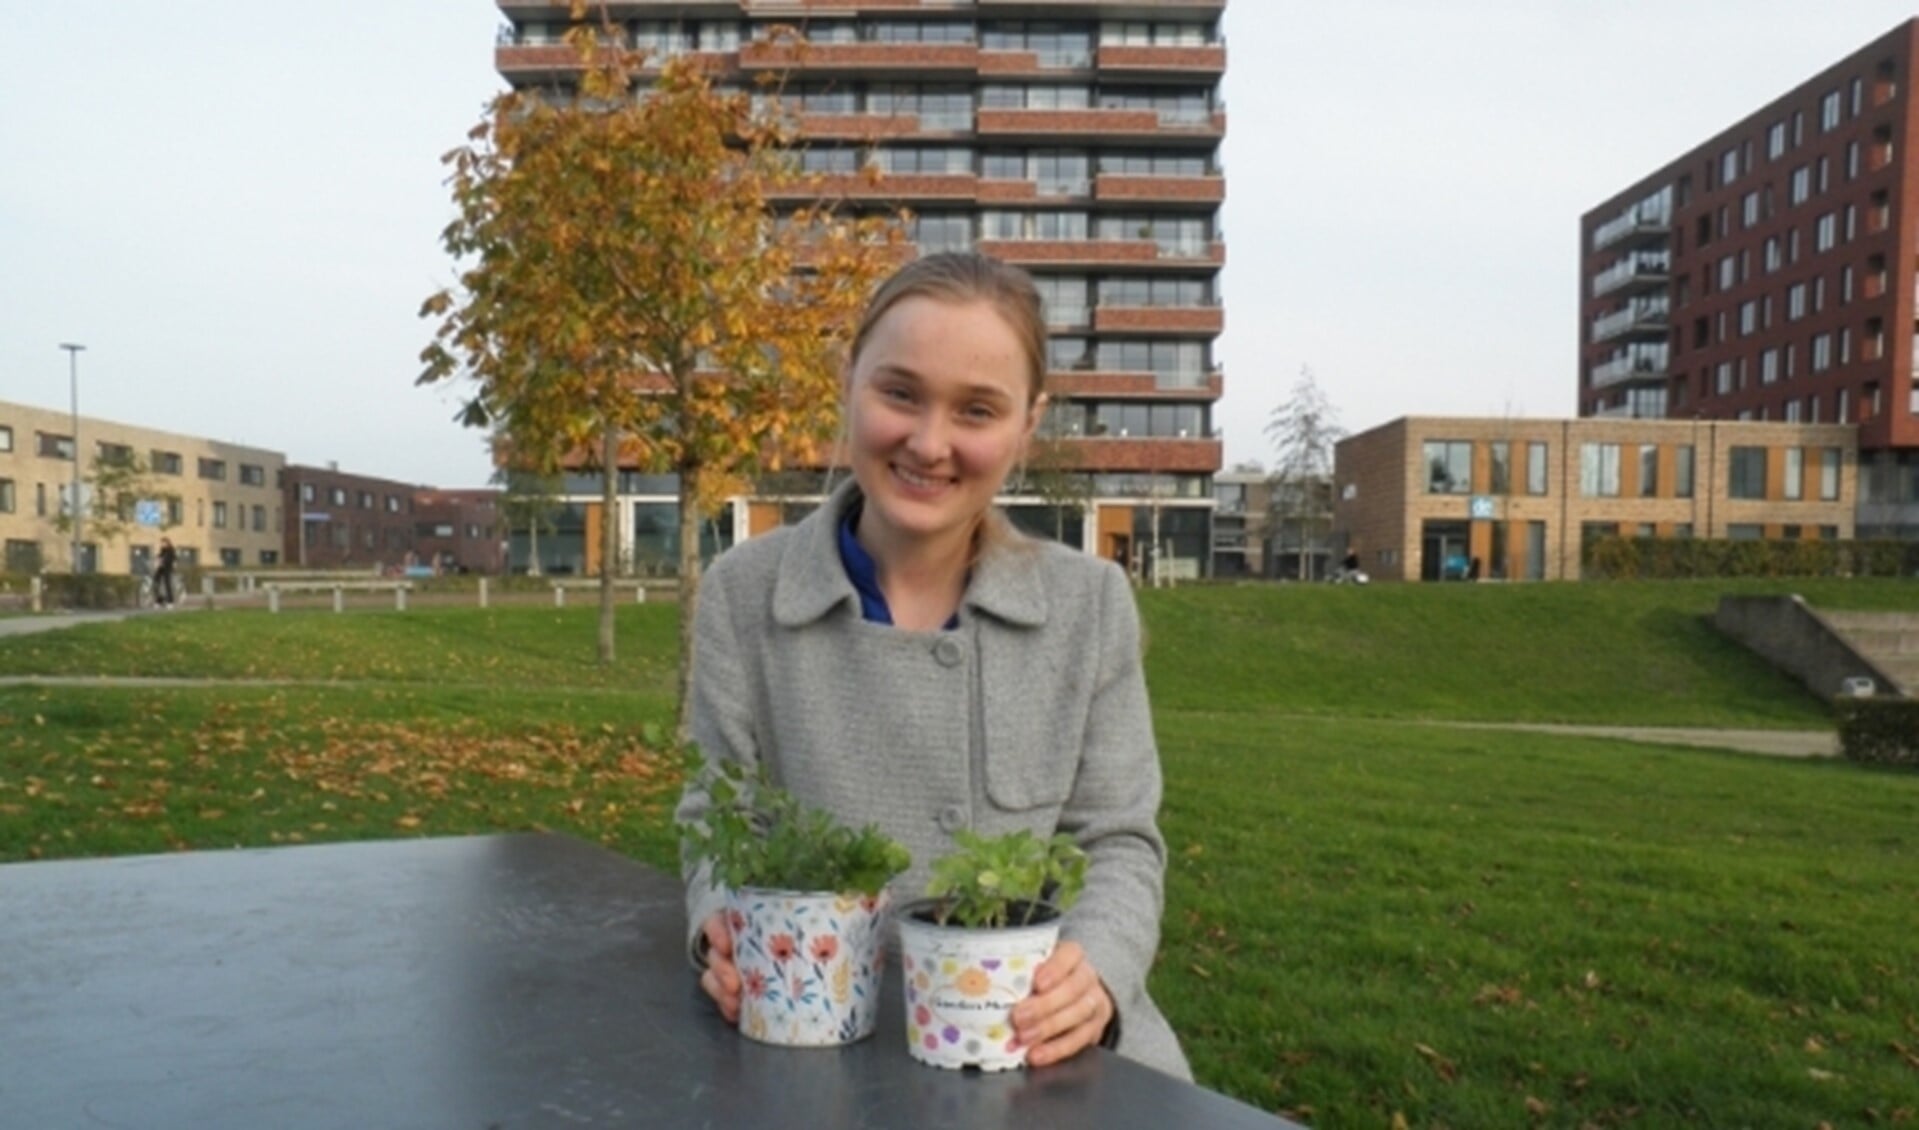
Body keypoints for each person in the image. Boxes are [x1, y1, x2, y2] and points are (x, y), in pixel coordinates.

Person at [676, 251, 1189, 1079]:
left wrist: (1094, 971)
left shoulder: (1087, 605)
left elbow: (1119, 840)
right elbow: (719, 814)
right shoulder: (745, 594)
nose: (928, 442)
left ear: (1027, 426)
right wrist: (718, 928)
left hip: (1035, 1054)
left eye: (977, 410)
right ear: (850, 384)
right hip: (813, 1039)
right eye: (899, 393)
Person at [154, 537, 178, 609]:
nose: (162, 544)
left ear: (167, 543)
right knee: (157, 583)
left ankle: (170, 602)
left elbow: (172, 558)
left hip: (168, 569)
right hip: (161, 569)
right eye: (161, 543)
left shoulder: (171, 550)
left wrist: (163, 561)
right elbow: (160, 556)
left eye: (163, 543)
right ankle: (159, 601)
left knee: (167, 584)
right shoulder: (163, 550)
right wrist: (157, 558)